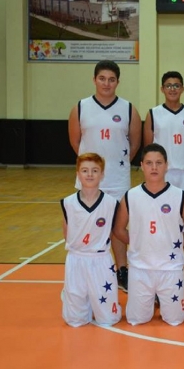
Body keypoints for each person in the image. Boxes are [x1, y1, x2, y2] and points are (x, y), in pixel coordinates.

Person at [68, 60, 142, 293]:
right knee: (89, 224)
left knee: (118, 227)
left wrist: (117, 164)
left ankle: (122, 271)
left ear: (118, 82)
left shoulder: (128, 109)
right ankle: (88, 272)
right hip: (89, 180)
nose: (106, 83)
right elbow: (76, 142)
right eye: (102, 78)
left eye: (111, 79)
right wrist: (91, 169)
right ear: (94, 80)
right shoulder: (80, 107)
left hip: (118, 179)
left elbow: (135, 144)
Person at [113, 143, 184, 326]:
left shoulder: (180, 196)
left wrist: (173, 243)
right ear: (142, 165)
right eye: (149, 163)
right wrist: (139, 242)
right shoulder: (130, 196)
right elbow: (118, 229)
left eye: (159, 163)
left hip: (170, 268)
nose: (154, 167)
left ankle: (165, 300)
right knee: (137, 319)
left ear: (166, 165)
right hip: (140, 268)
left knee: (175, 319)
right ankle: (152, 301)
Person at [60, 153, 121, 327]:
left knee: (108, 319)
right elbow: (67, 234)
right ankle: (76, 301)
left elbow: (115, 233)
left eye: (95, 170)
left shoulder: (111, 203)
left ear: (102, 174)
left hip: (101, 260)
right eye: (85, 170)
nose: (89, 174)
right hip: (76, 259)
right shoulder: (68, 203)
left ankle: (100, 306)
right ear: (78, 174)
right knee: (74, 320)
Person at [143, 71, 184, 209]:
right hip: (163, 173)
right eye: (168, 86)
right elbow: (148, 148)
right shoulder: (153, 114)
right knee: (162, 212)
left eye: (176, 85)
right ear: (162, 89)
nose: (172, 89)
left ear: (182, 89)